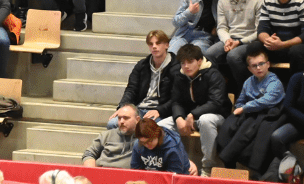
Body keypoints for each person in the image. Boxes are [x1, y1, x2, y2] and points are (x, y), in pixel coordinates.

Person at [215, 47, 286, 171]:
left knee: (251, 131)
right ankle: (229, 164)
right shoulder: (248, 82)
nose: (258, 68)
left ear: (268, 64)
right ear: (249, 68)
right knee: (228, 127)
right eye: (254, 65)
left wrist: (244, 108)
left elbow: (267, 100)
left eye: (261, 64)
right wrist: (240, 108)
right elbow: (241, 100)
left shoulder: (275, 82)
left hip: (269, 113)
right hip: (249, 112)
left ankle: (251, 168)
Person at [167, 42, 229, 175]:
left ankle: (208, 166)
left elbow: (216, 102)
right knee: (162, 125)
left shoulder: (213, 74)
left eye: (190, 62)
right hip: (190, 116)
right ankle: (172, 163)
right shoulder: (180, 76)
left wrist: (192, 115)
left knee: (205, 120)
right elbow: (176, 101)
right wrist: (178, 118)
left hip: (217, 115)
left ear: (200, 61)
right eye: (183, 63)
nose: (186, 66)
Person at [110, 30, 179, 128]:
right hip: (139, 108)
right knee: (113, 124)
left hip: (160, 111)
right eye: (151, 44)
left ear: (167, 45)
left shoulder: (176, 67)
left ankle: (135, 143)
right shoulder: (142, 65)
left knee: (146, 128)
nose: (154, 46)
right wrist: (123, 107)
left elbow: (177, 97)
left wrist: (160, 110)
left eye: (158, 43)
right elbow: (131, 89)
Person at [83, 102, 139, 167]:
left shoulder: (143, 139)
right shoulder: (107, 135)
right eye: (119, 118)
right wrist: (91, 172)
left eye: (126, 118)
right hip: (102, 173)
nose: (121, 121)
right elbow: (89, 153)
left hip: (128, 175)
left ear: (137, 119)